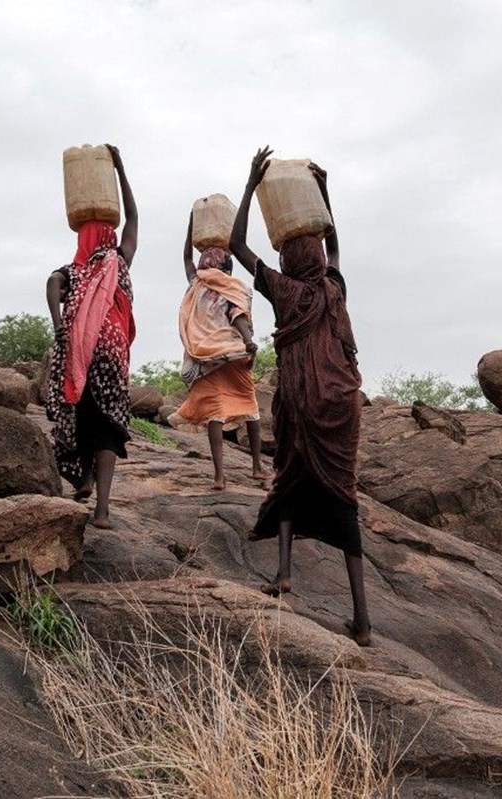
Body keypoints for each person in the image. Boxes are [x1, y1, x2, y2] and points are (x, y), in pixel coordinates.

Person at [228, 146, 371, 647]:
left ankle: (285, 573)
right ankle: (362, 619)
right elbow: (335, 253)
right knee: (343, 494)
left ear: (289, 257)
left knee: (289, 475)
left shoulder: (283, 289)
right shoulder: (334, 288)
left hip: (299, 403)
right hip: (342, 404)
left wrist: (249, 184)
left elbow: (236, 243)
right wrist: (325, 191)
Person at [45, 144, 138, 530]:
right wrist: (120, 168)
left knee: (78, 415)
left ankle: (81, 479)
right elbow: (133, 216)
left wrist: (59, 323)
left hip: (79, 352)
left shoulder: (75, 269)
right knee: (109, 427)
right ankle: (102, 509)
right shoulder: (118, 260)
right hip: (112, 358)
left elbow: (52, 282)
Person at [176, 210, 266, 490]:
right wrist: (247, 340)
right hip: (232, 352)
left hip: (206, 355)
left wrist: (191, 222)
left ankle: (220, 475)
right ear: (228, 267)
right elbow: (237, 314)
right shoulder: (231, 286)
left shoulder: (196, 283)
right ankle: (256, 467)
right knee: (250, 409)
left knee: (217, 413)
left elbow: (187, 259)